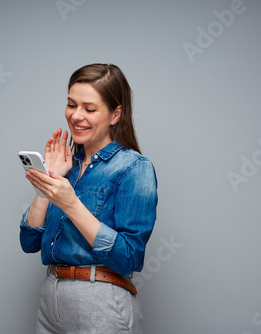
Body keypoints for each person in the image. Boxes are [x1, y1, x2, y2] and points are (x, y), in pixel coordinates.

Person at [19, 63, 158, 333]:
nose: (76, 116)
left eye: (89, 109)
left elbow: (129, 257)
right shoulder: (67, 167)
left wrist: (71, 203)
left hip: (99, 301)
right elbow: (29, 242)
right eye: (71, 105)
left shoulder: (134, 168)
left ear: (115, 114)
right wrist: (46, 184)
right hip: (51, 297)